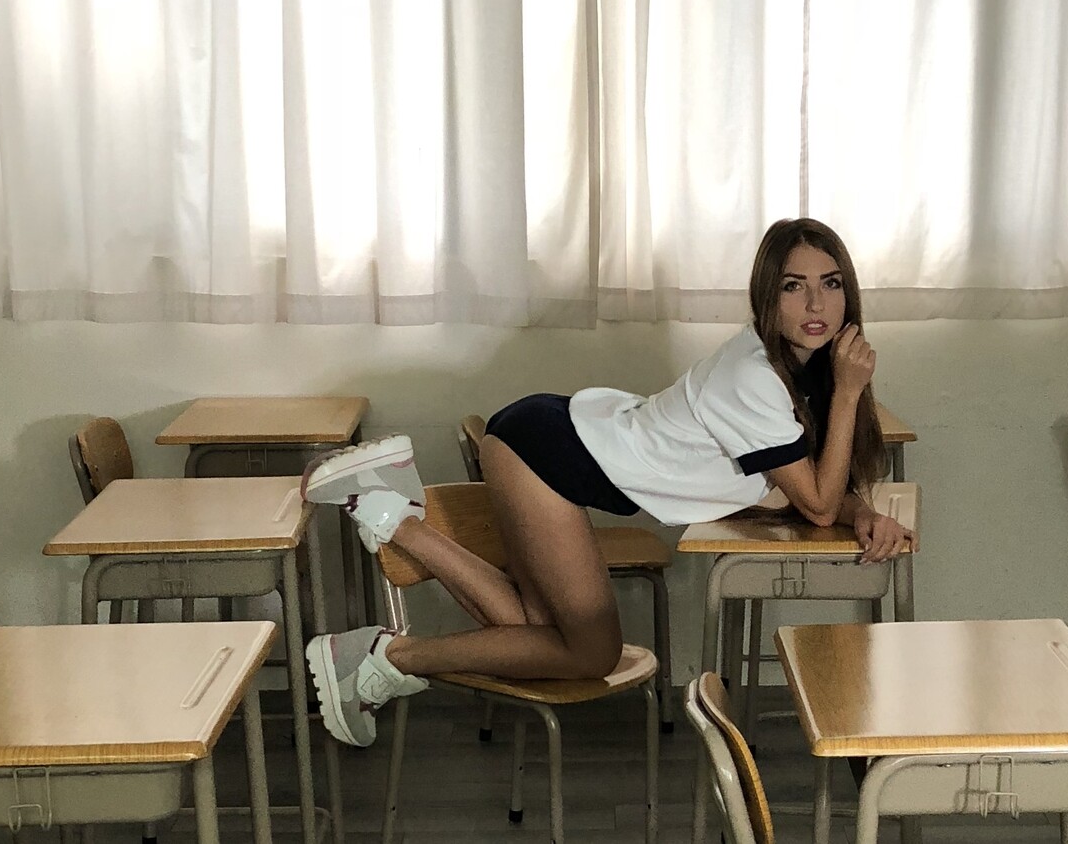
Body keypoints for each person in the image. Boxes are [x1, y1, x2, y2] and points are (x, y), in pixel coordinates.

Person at [301, 216, 911, 746]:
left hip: (551, 439)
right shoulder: (755, 377)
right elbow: (816, 504)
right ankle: (388, 654)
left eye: (831, 284)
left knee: (534, 633)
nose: (815, 305)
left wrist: (864, 513)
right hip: (546, 454)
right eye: (794, 286)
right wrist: (850, 395)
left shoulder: (801, 369)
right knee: (591, 652)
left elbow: (809, 490)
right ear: (767, 296)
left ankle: (387, 517)